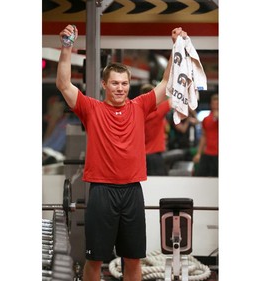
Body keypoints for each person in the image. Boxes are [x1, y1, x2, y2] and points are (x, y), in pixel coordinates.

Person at [56, 24, 188, 281]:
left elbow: (166, 82)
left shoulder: (140, 106)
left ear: (129, 85)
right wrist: (67, 47)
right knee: (94, 260)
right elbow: (63, 84)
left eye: (124, 83)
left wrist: (177, 47)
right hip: (102, 192)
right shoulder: (91, 108)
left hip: (131, 192)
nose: (120, 88)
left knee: (133, 258)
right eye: (115, 83)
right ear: (104, 84)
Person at [141, 83, 171, 176]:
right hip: (154, 157)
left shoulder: (138, 112)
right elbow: (173, 100)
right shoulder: (157, 112)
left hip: (141, 157)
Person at [193, 93, 219, 177]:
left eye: (217, 104)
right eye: (213, 104)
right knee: (200, 176)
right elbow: (203, 136)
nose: (215, 106)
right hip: (208, 153)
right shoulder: (206, 119)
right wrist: (199, 153)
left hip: (218, 154)